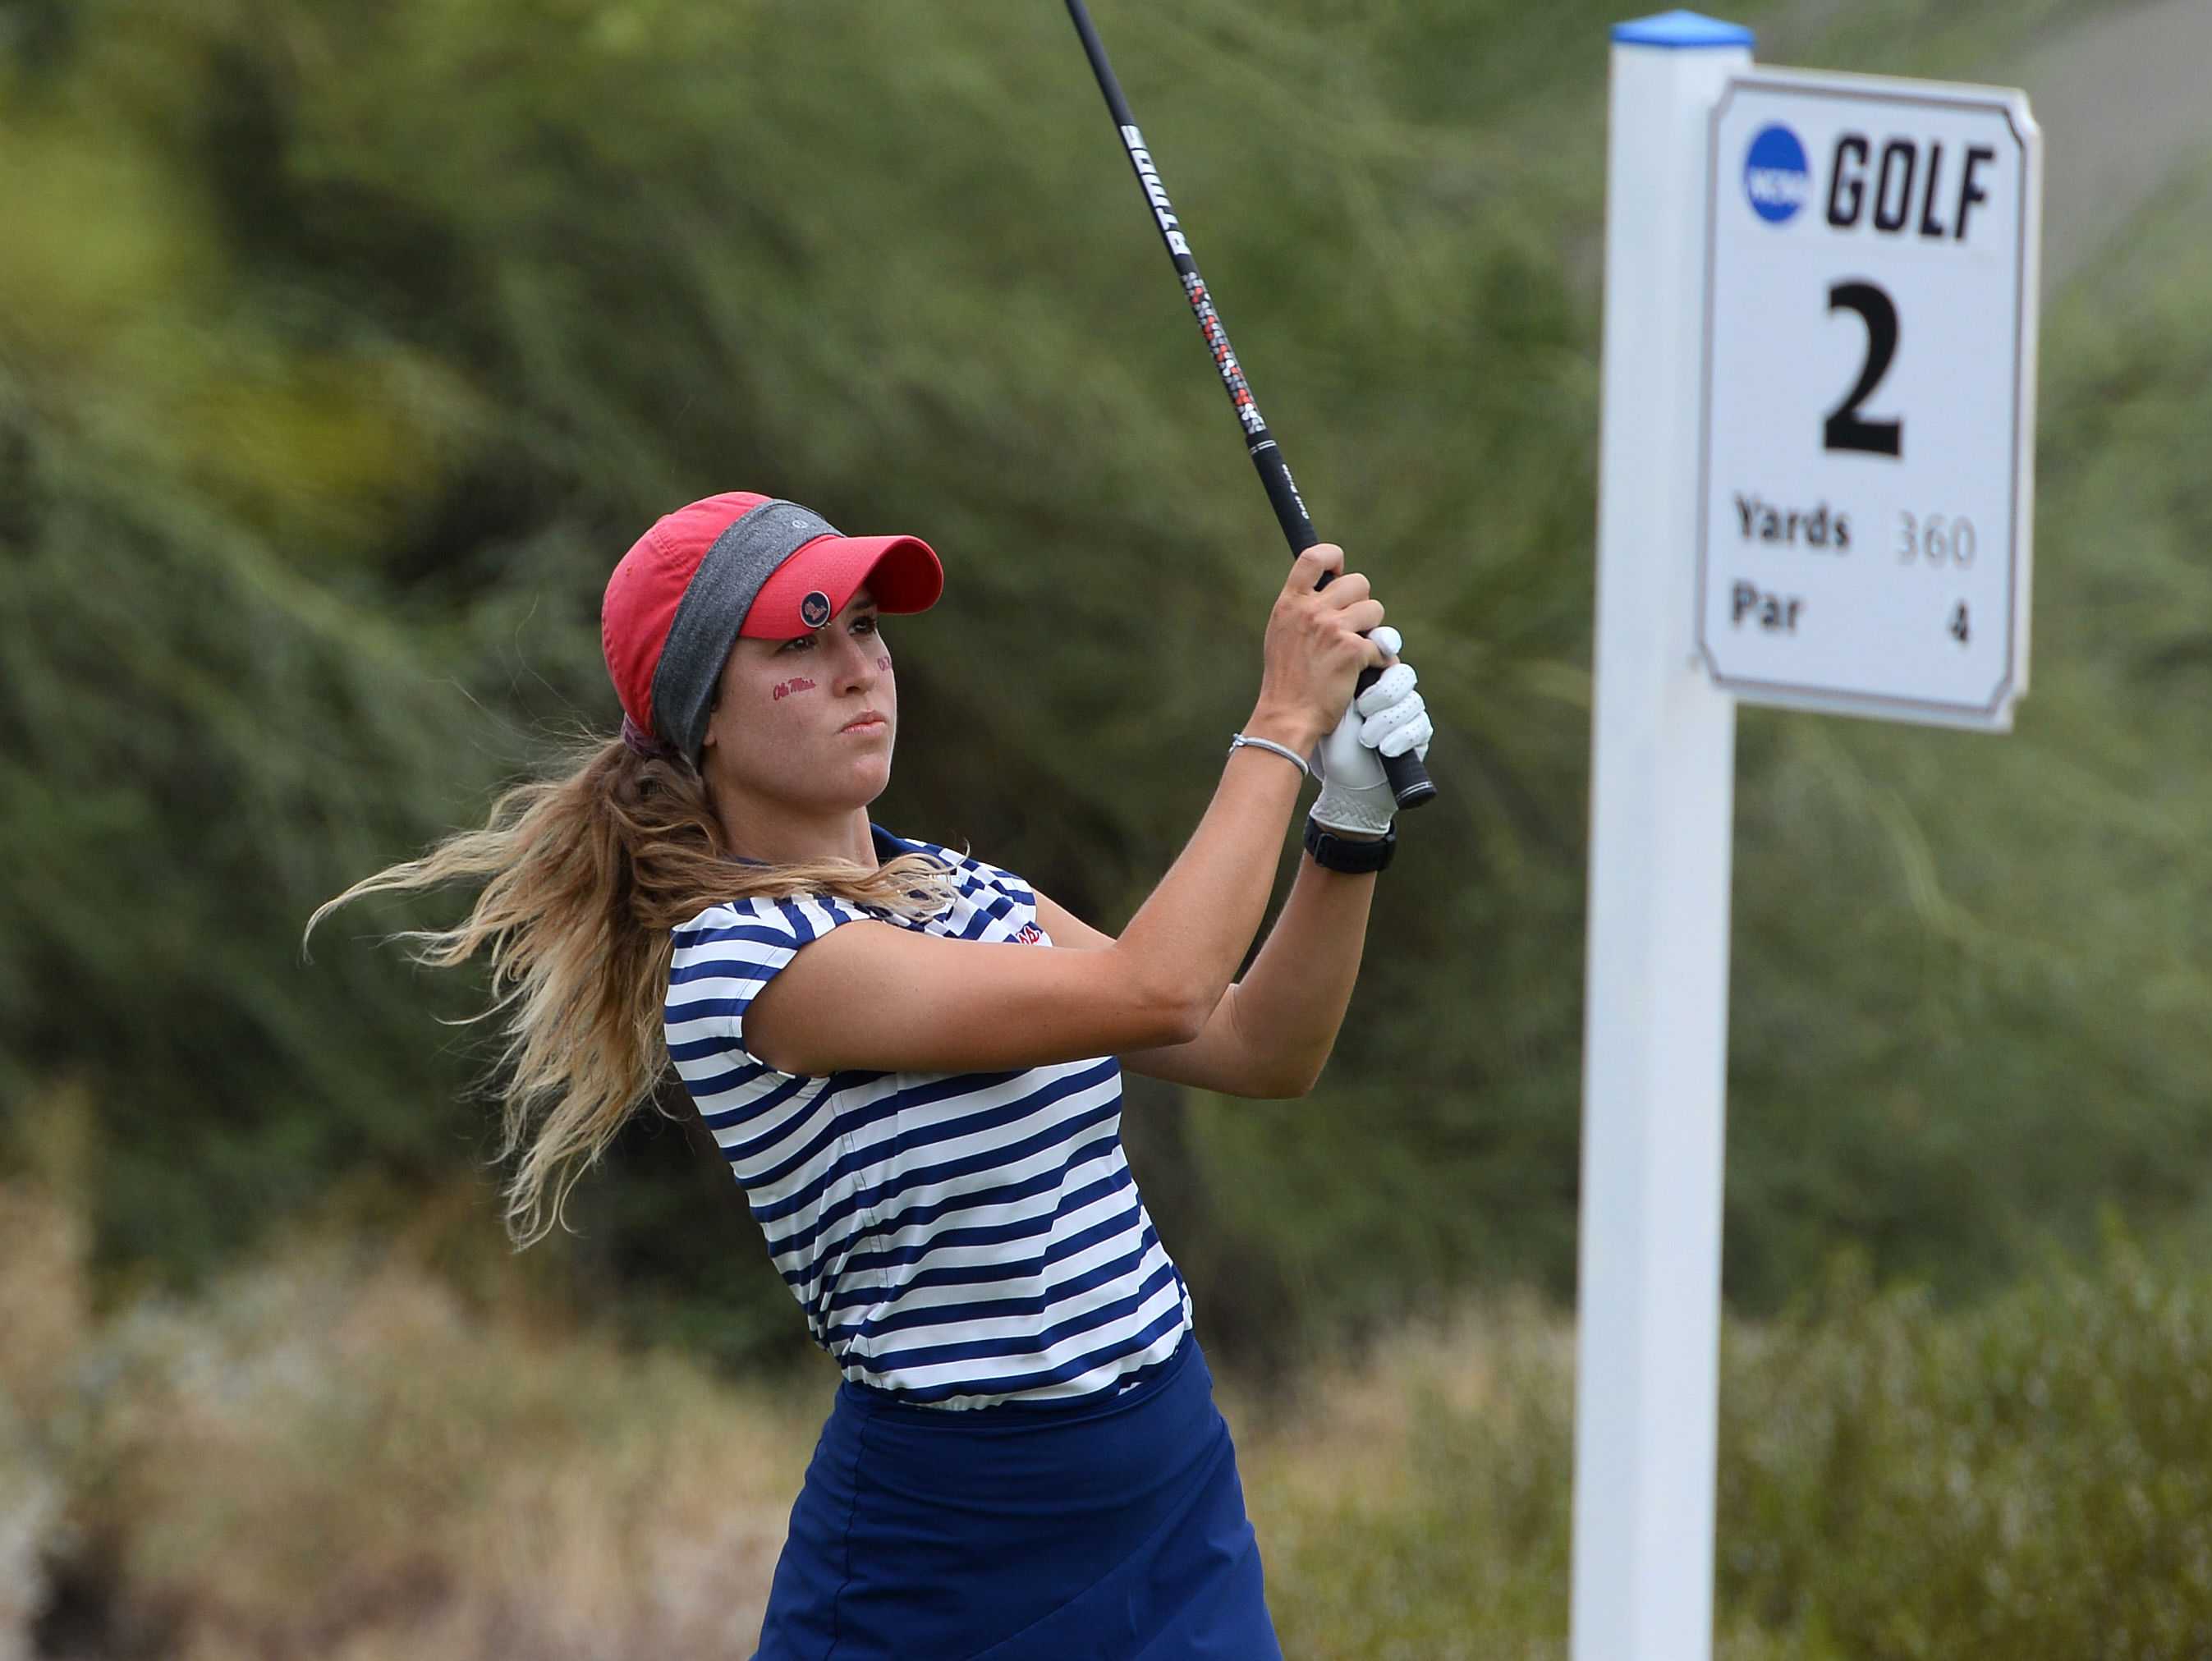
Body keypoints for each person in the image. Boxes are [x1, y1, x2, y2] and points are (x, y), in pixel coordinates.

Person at [311, 490, 1433, 1659]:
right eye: (800, 644)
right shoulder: (748, 964)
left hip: (1168, 1483)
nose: (859, 670)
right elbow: (1160, 991)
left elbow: (1258, 1049)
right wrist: (1281, 721)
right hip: (948, 1559)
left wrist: (1348, 824)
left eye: (865, 629)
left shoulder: (960, 888)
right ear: (701, 720)